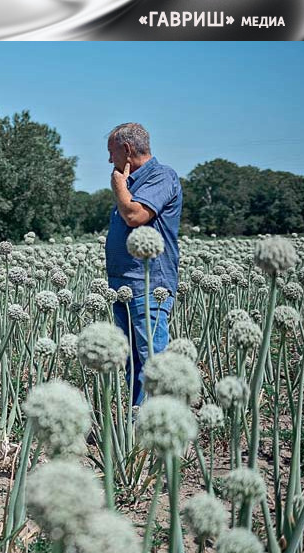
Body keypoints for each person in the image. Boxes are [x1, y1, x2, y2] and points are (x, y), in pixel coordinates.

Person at [105, 122, 182, 405]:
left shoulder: (162, 176)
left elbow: (134, 216)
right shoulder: (133, 183)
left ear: (126, 149)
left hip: (148, 284)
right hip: (124, 283)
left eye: (111, 153)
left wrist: (118, 186)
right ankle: (138, 422)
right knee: (133, 359)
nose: (109, 160)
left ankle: (161, 421)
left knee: (152, 356)